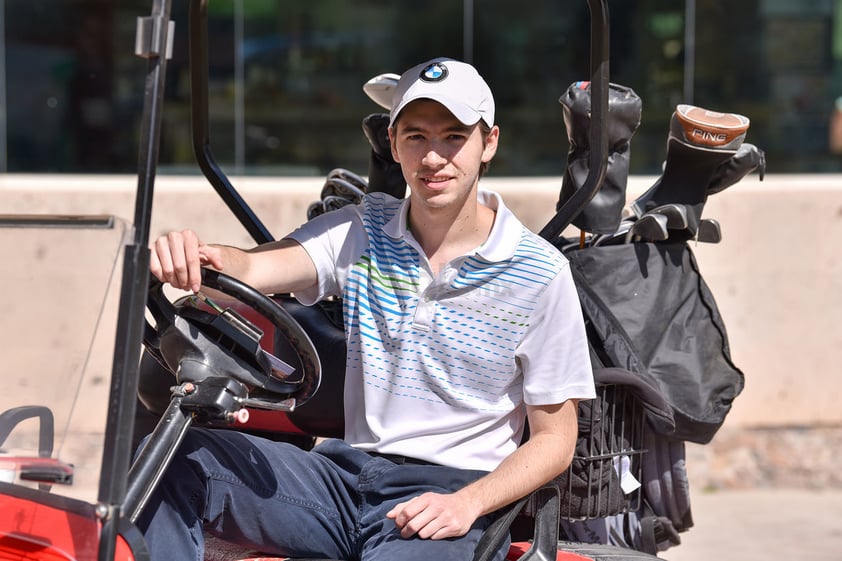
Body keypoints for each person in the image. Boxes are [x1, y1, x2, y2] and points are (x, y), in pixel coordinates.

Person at [139, 57, 595, 561]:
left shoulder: (539, 272)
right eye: (416, 137)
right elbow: (251, 268)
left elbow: (555, 441)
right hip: (341, 478)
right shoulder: (362, 230)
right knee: (168, 462)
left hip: (448, 494)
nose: (434, 157)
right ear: (395, 142)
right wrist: (191, 255)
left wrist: (468, 503)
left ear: (488, 143)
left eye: (453, 136)